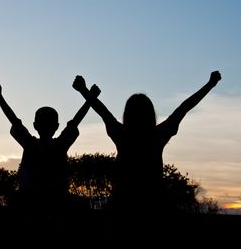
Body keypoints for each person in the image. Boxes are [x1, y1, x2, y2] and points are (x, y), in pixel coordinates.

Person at [73, 71, 222, 215]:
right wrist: (210, 85)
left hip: (121, 205)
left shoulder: (122, 134)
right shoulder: (158, 135)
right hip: (153, 205)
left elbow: (102, 110)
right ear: (150, 114)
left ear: (127, 114)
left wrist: (84, 90)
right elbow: (185, 107)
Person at [0, 81, 100, 215]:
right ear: (57, 126)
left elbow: (14, 121)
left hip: (42, 199)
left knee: (15, 200)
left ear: (35, 125)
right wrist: (90, 98)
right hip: (45, 199)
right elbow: (75, 122)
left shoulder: (32, 144)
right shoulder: (58, 145)